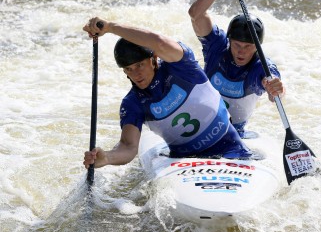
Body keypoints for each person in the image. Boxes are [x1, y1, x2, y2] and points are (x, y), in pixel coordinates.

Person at [82, 17, 253, 170]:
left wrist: (111, 27)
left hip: (230, 148)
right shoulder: (133, 103)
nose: (136, 74)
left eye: (140, 65)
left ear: (153, 59)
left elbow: (159, 42)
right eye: (129, 69)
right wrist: (107, 158)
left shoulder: (181, 67)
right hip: (183, 163)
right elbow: (128, 146)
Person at [188, 0, 285, 139]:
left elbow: (274, 95)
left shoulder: (261, 66)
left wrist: (277, 89)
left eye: (247, 46)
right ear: (229, 40)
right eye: (237, 45)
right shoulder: (216, 46)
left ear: (257, 47)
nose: (241, 52)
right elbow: (196, 14)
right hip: (197, 124)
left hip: (234, 132)